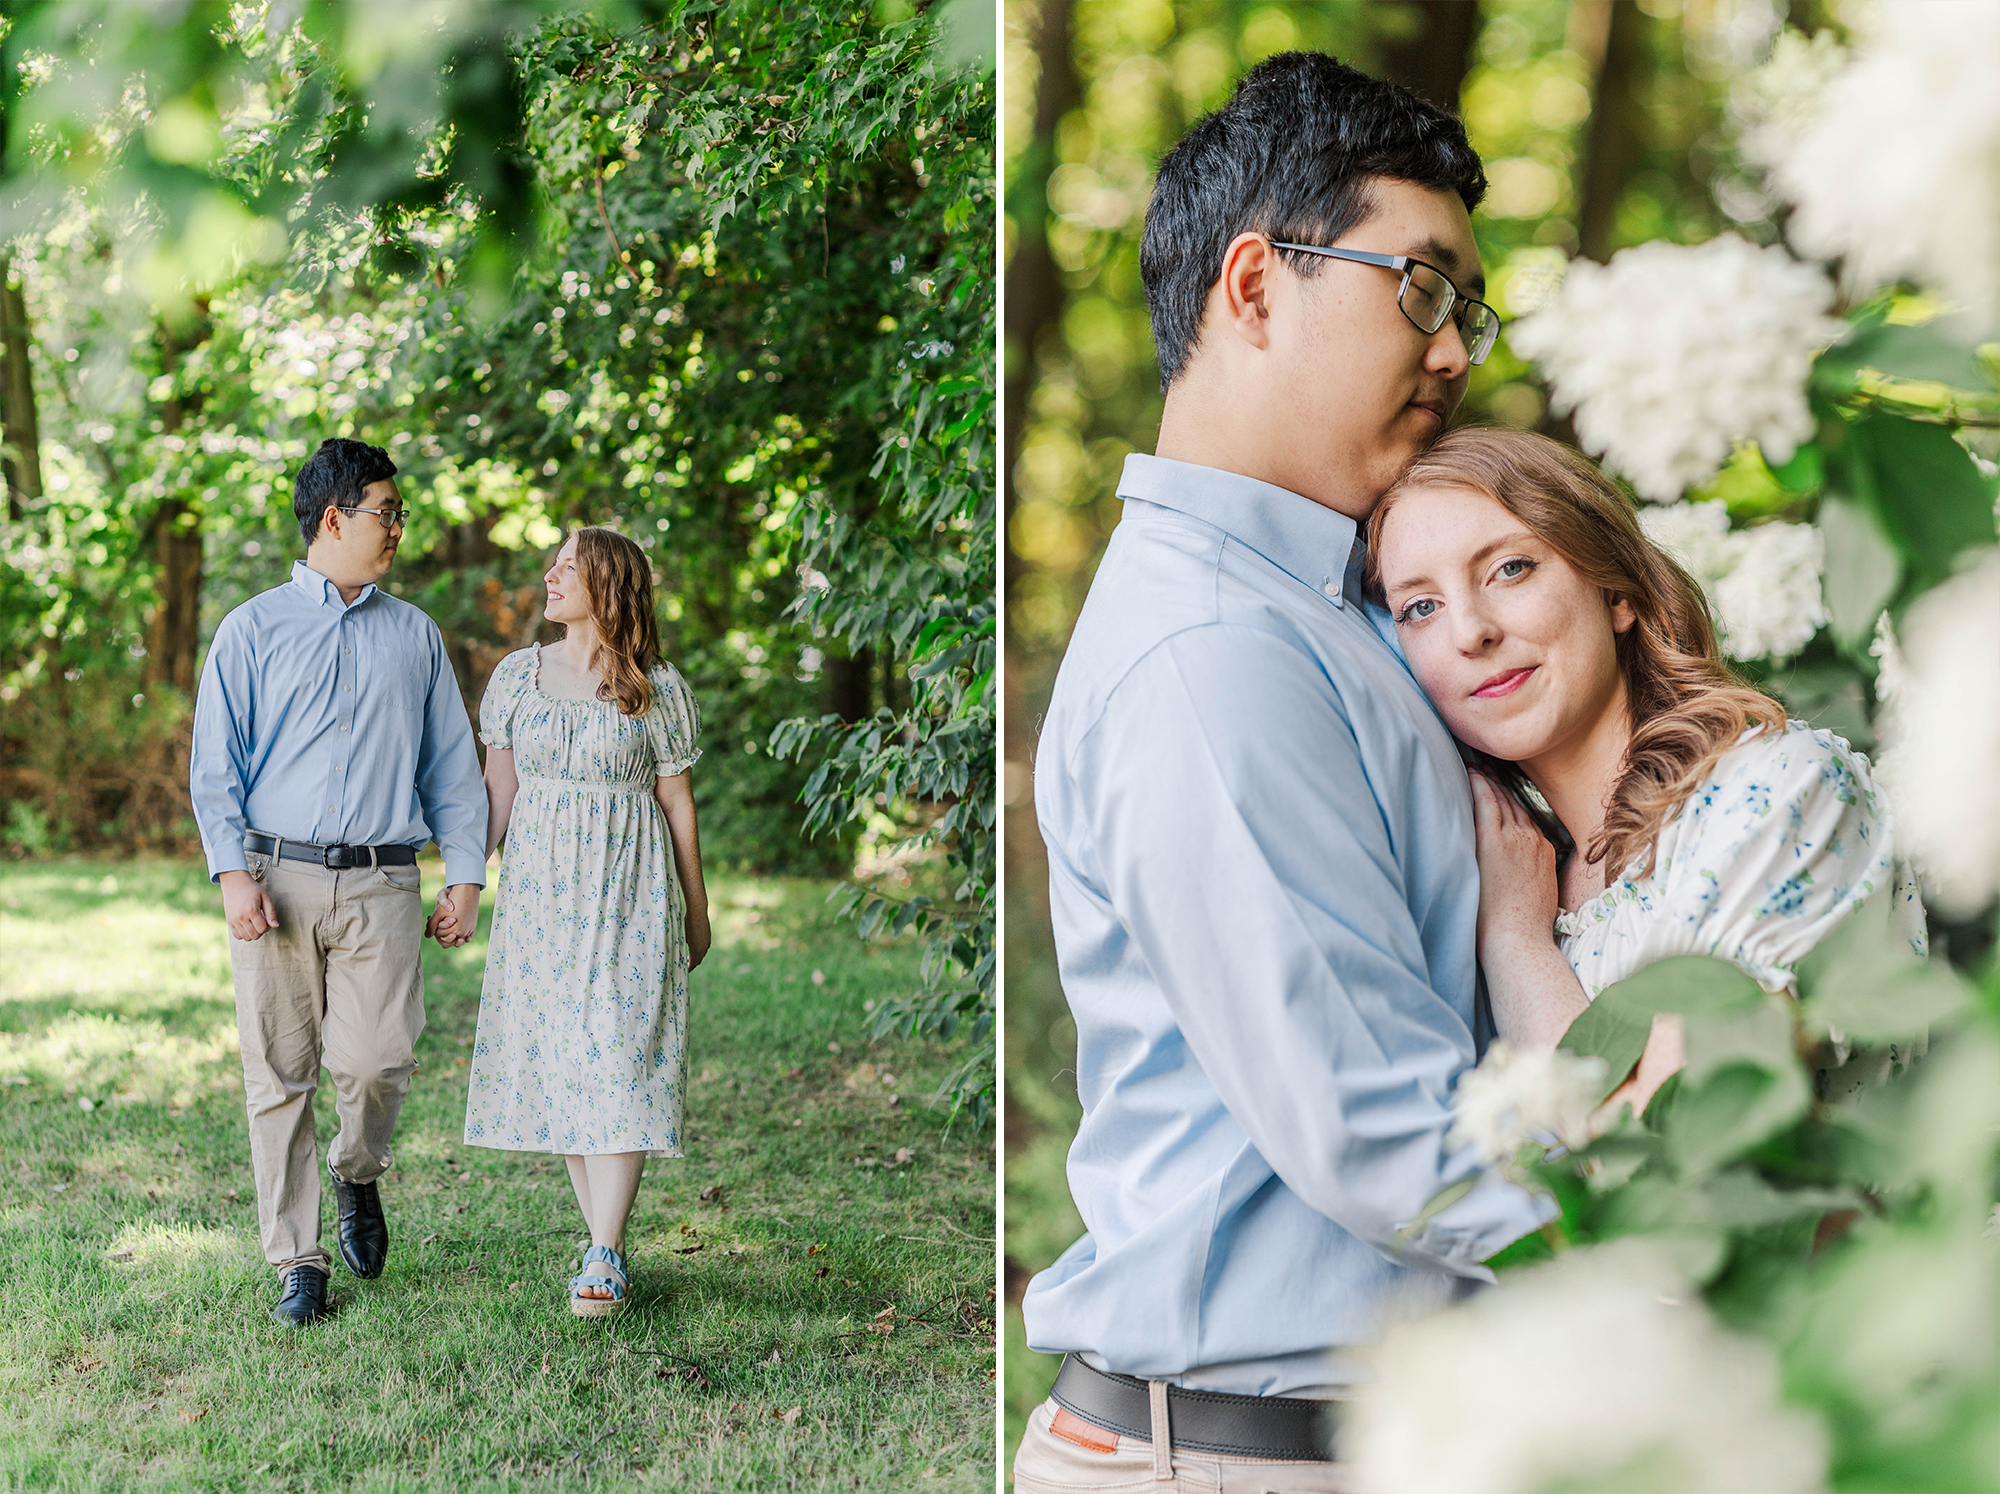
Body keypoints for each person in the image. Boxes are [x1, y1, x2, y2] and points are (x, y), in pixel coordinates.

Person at [1017, 54, 1546, 1492]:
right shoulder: (1211, 652)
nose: (1455, 350)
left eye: (1467, 308)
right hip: (1240, 1457)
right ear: (1255, 285)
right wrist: (1714, 1225)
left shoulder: (1345, 610)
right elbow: (1380, 1129)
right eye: (1422, 288)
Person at [1367, 426, 1924, 1112]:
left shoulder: (1775, 792)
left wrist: (1513, 945)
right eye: (1421, 607)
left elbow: (1673, 1161)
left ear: (1617, 592)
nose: (1469, 632)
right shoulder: (1519, 878)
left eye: (1509, 568)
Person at [190, 437, 488, 1329]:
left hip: (382, 885)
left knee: (377, 1060)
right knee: (279, 1075)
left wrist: (464, 877)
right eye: (386, 513)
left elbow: (452, 771)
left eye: (398, 513)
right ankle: (299, 1260)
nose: (398, 527)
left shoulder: (414, 636)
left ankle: (358, 1176)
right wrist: (234, 874)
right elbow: (216, 769)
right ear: (333, 519)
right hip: (275, 880)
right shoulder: (251, 629)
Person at [459, 525, 710, 1319]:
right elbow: (497, 795)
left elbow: (678, 805)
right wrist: (466, 882)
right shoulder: (515, 679)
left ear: (609, 584)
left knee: (623, 1054)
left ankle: (605, 1249)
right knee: (571, 1059)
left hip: (629, 891)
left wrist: (696, 912)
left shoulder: (656, 685)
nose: (550, 575)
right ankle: (605, 1241)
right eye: (555, 564)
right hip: (539, 900)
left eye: (569, 566)